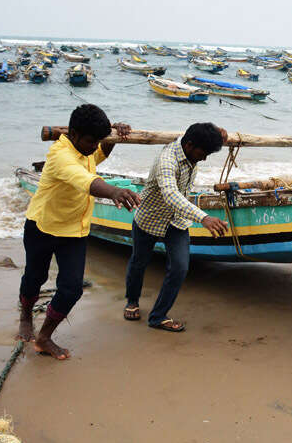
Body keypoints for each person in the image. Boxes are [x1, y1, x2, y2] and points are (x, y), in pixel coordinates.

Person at [18, 104, 141, 360]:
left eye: (98, 140)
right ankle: (25, 318)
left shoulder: (87, 147)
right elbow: (85, 180)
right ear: (73, 134)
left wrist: (113, 137)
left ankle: (44, 337)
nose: (93, 146)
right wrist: (114, 191)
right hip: (43, 227)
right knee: (35, 277)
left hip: (75, 230)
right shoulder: (60, 155)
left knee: (72, 289)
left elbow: (97, 157)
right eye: (89, 141)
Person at [124, 122, 229, 332]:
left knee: (180, 268)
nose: (205, 158)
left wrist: (219, 133)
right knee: (139, 262)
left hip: (177, 221)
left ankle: (158, 316)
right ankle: (132, 301)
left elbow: (202, 130)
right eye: (204, 152)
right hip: (150, 218)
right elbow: (171, 195)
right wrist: (204, 218)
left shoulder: (191, 144)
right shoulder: (167, 160)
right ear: (189, 145)